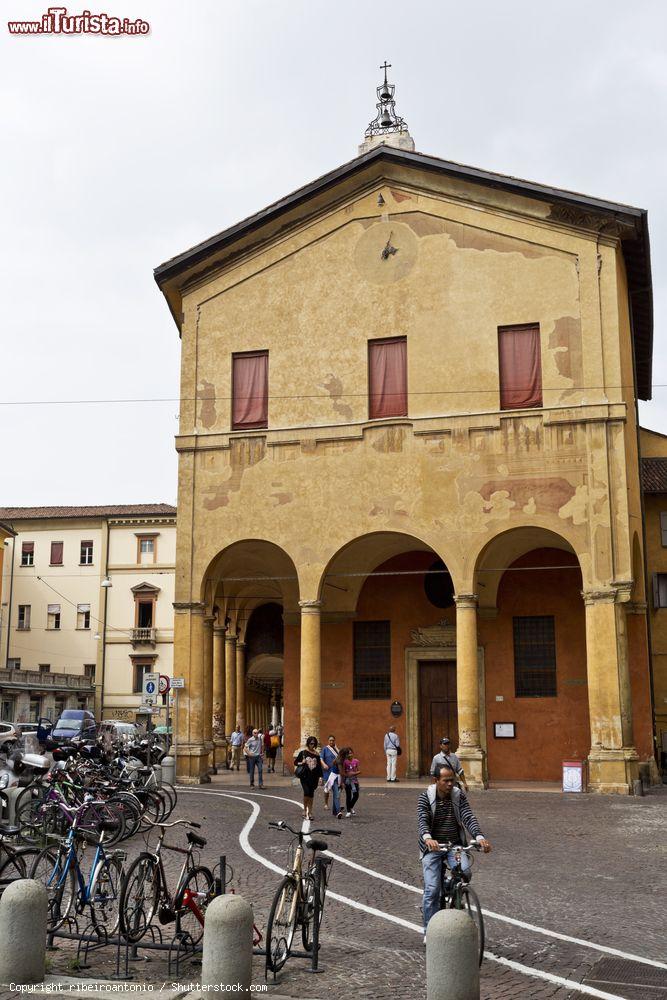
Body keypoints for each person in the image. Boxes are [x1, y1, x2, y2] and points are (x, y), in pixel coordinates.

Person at [418, 764, 491, 941]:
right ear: (436, 781)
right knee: (432, 890)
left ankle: (451, 887)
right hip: (432, 847)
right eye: (446, 781)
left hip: (454, 845)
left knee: (465, 871)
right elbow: (423, 820)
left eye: (452, 780)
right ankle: (429, 931)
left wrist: (479, 836)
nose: (450, 784)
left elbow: (468, 816)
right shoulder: (425, 798)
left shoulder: (458, 796)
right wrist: (428, 838)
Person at [293, 735, 323, 820]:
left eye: (313, 743)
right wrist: (301, 763)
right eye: (310, 743)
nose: (312, 745)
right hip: (305, 776)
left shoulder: (317, 754)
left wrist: (320, 777)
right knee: (306, 792)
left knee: (311, 794)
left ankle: (310, 812)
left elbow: (319, 767)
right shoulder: (303, 753)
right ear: (308, 743)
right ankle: (304, 810)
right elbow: (295, 762)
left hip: (314, 777)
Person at [320, 734, 342, 818]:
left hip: (336, 774)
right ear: (328, 741)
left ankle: (336, 809)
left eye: (333, 740)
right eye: (330, 740)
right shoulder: (325, 749)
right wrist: (324, 764)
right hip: (327, 773)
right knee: (327, 790)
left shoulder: (337, 750)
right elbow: (321, 758)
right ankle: (326, 803)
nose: (331, 742)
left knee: (336, 791)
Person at [343, 747, 360, 817]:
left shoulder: (356, 761)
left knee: (356, 795)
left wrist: (354, 773)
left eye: (351, 753)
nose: (350, 755)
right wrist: (343, 782)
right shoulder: (345, 762)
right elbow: (343, 772)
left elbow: (359, 770)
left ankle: (350, 806)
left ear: (353, 753)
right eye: (348, 753)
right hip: (347, 781)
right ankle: (348, 811)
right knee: (348, 795)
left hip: (354, 780)